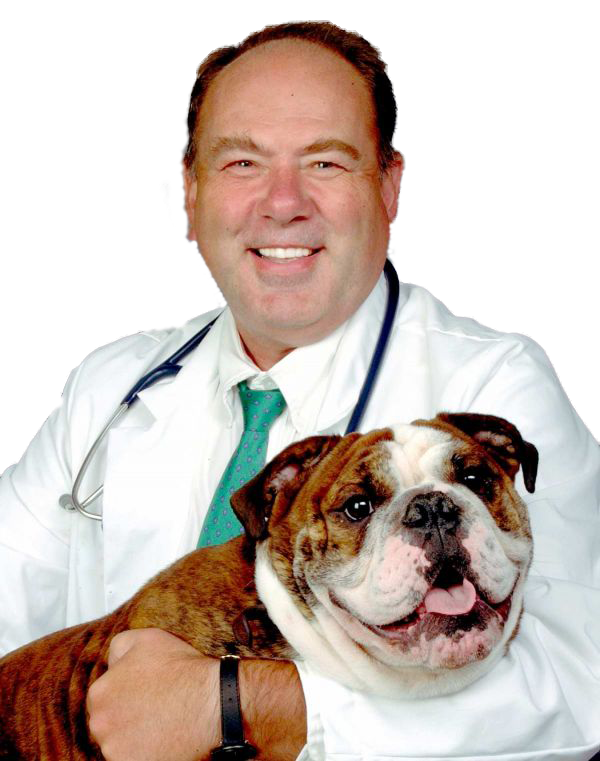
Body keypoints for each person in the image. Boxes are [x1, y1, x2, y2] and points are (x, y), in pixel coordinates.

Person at [1, 20, 599, 761]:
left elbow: (582, 684)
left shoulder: (497, 379)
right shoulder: (109, 387)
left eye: (325, 162)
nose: (283, 202)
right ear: (192, 194)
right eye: (242, 162)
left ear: (388, 188)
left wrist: (248, 708)